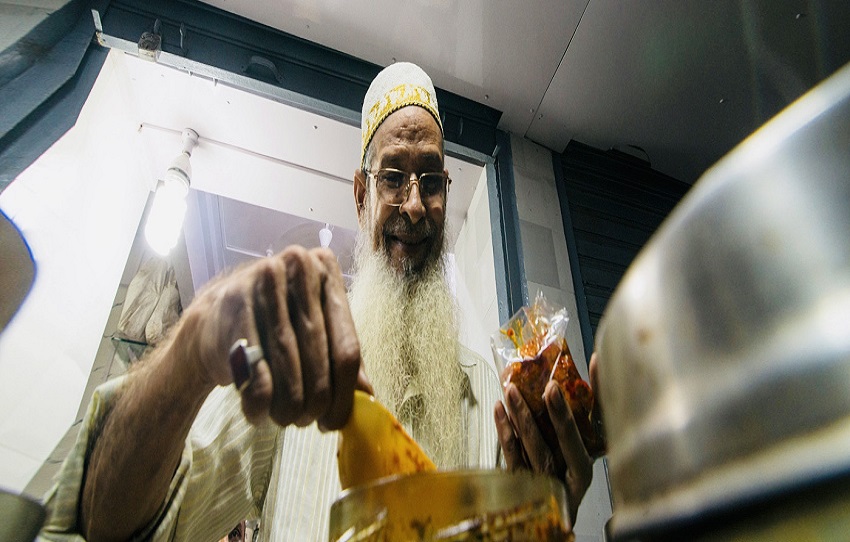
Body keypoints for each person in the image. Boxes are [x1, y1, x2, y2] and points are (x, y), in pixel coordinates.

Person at [39, 62, 529, 541]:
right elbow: (112, 525)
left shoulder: (486, 391)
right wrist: (190, 354)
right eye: (393, 177)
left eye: (431, 180)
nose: (416, 205)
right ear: (362, 197)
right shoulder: (296, 359)